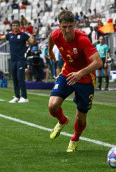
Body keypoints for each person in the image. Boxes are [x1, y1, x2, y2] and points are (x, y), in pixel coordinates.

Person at [47, 10, 102, 152]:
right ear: (59, 26)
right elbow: (51, 38)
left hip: (85, 78)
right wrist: (50, 51)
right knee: (52, 106)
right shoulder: (56, 34)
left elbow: (98, 62)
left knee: (80, 119)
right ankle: (62, 121)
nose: (67, 30)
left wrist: (80, 73)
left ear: (75, 25)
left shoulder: (82, 39)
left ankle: (75, 139)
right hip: (67, 73)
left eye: (70, 26)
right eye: (64, 27)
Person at [0, 20, 37, 103]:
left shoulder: (23, 35)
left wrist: (35, 36)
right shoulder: (9, 35)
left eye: (16, 25)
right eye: (14, 25)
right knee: (14, 79)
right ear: (12, 27)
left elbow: (33, 42)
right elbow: (0, 37)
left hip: (21, 60)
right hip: (13, 60)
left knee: (20, 78)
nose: (15, 27)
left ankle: (25, 97)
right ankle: (17, 96)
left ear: (19, 26)